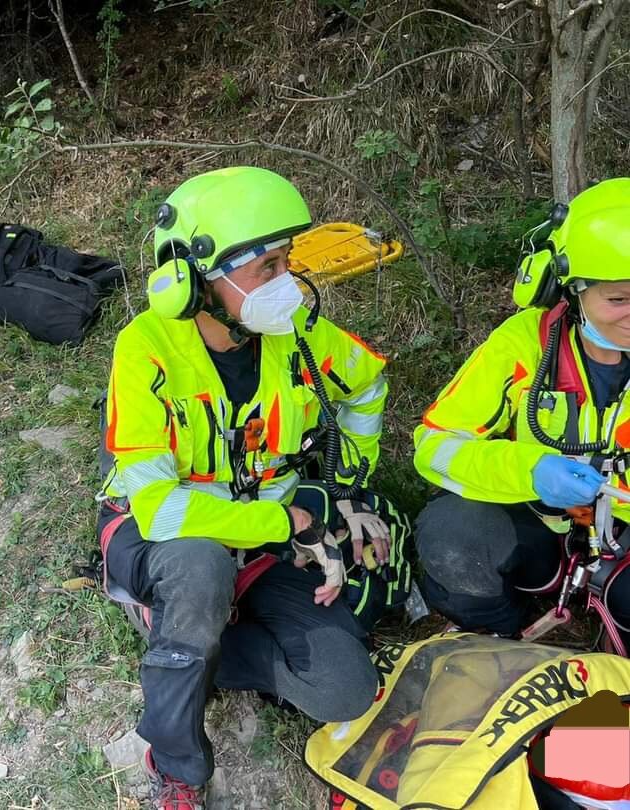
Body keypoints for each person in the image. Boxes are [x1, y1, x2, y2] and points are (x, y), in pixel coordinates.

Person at [97, 167, 411, 809]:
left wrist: (345, 485)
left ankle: (189, 646)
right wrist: (287, 524)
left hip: (272, 525)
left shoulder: (293, 330)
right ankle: (178, 761)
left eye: (287, 262)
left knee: (347, 689)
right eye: (268, 267)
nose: (287, 282)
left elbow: (368, 384)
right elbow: (159, 510)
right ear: (194, 281)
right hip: (166, 532)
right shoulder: (145, 349)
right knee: (199, 565)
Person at [413, 178, 630, 645]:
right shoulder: (523, 343)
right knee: (453, 534)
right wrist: (529, 470)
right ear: (572, 289)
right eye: (619, 298)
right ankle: (500, 638)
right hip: (535, 525)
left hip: (622, 538)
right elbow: (434, 447)